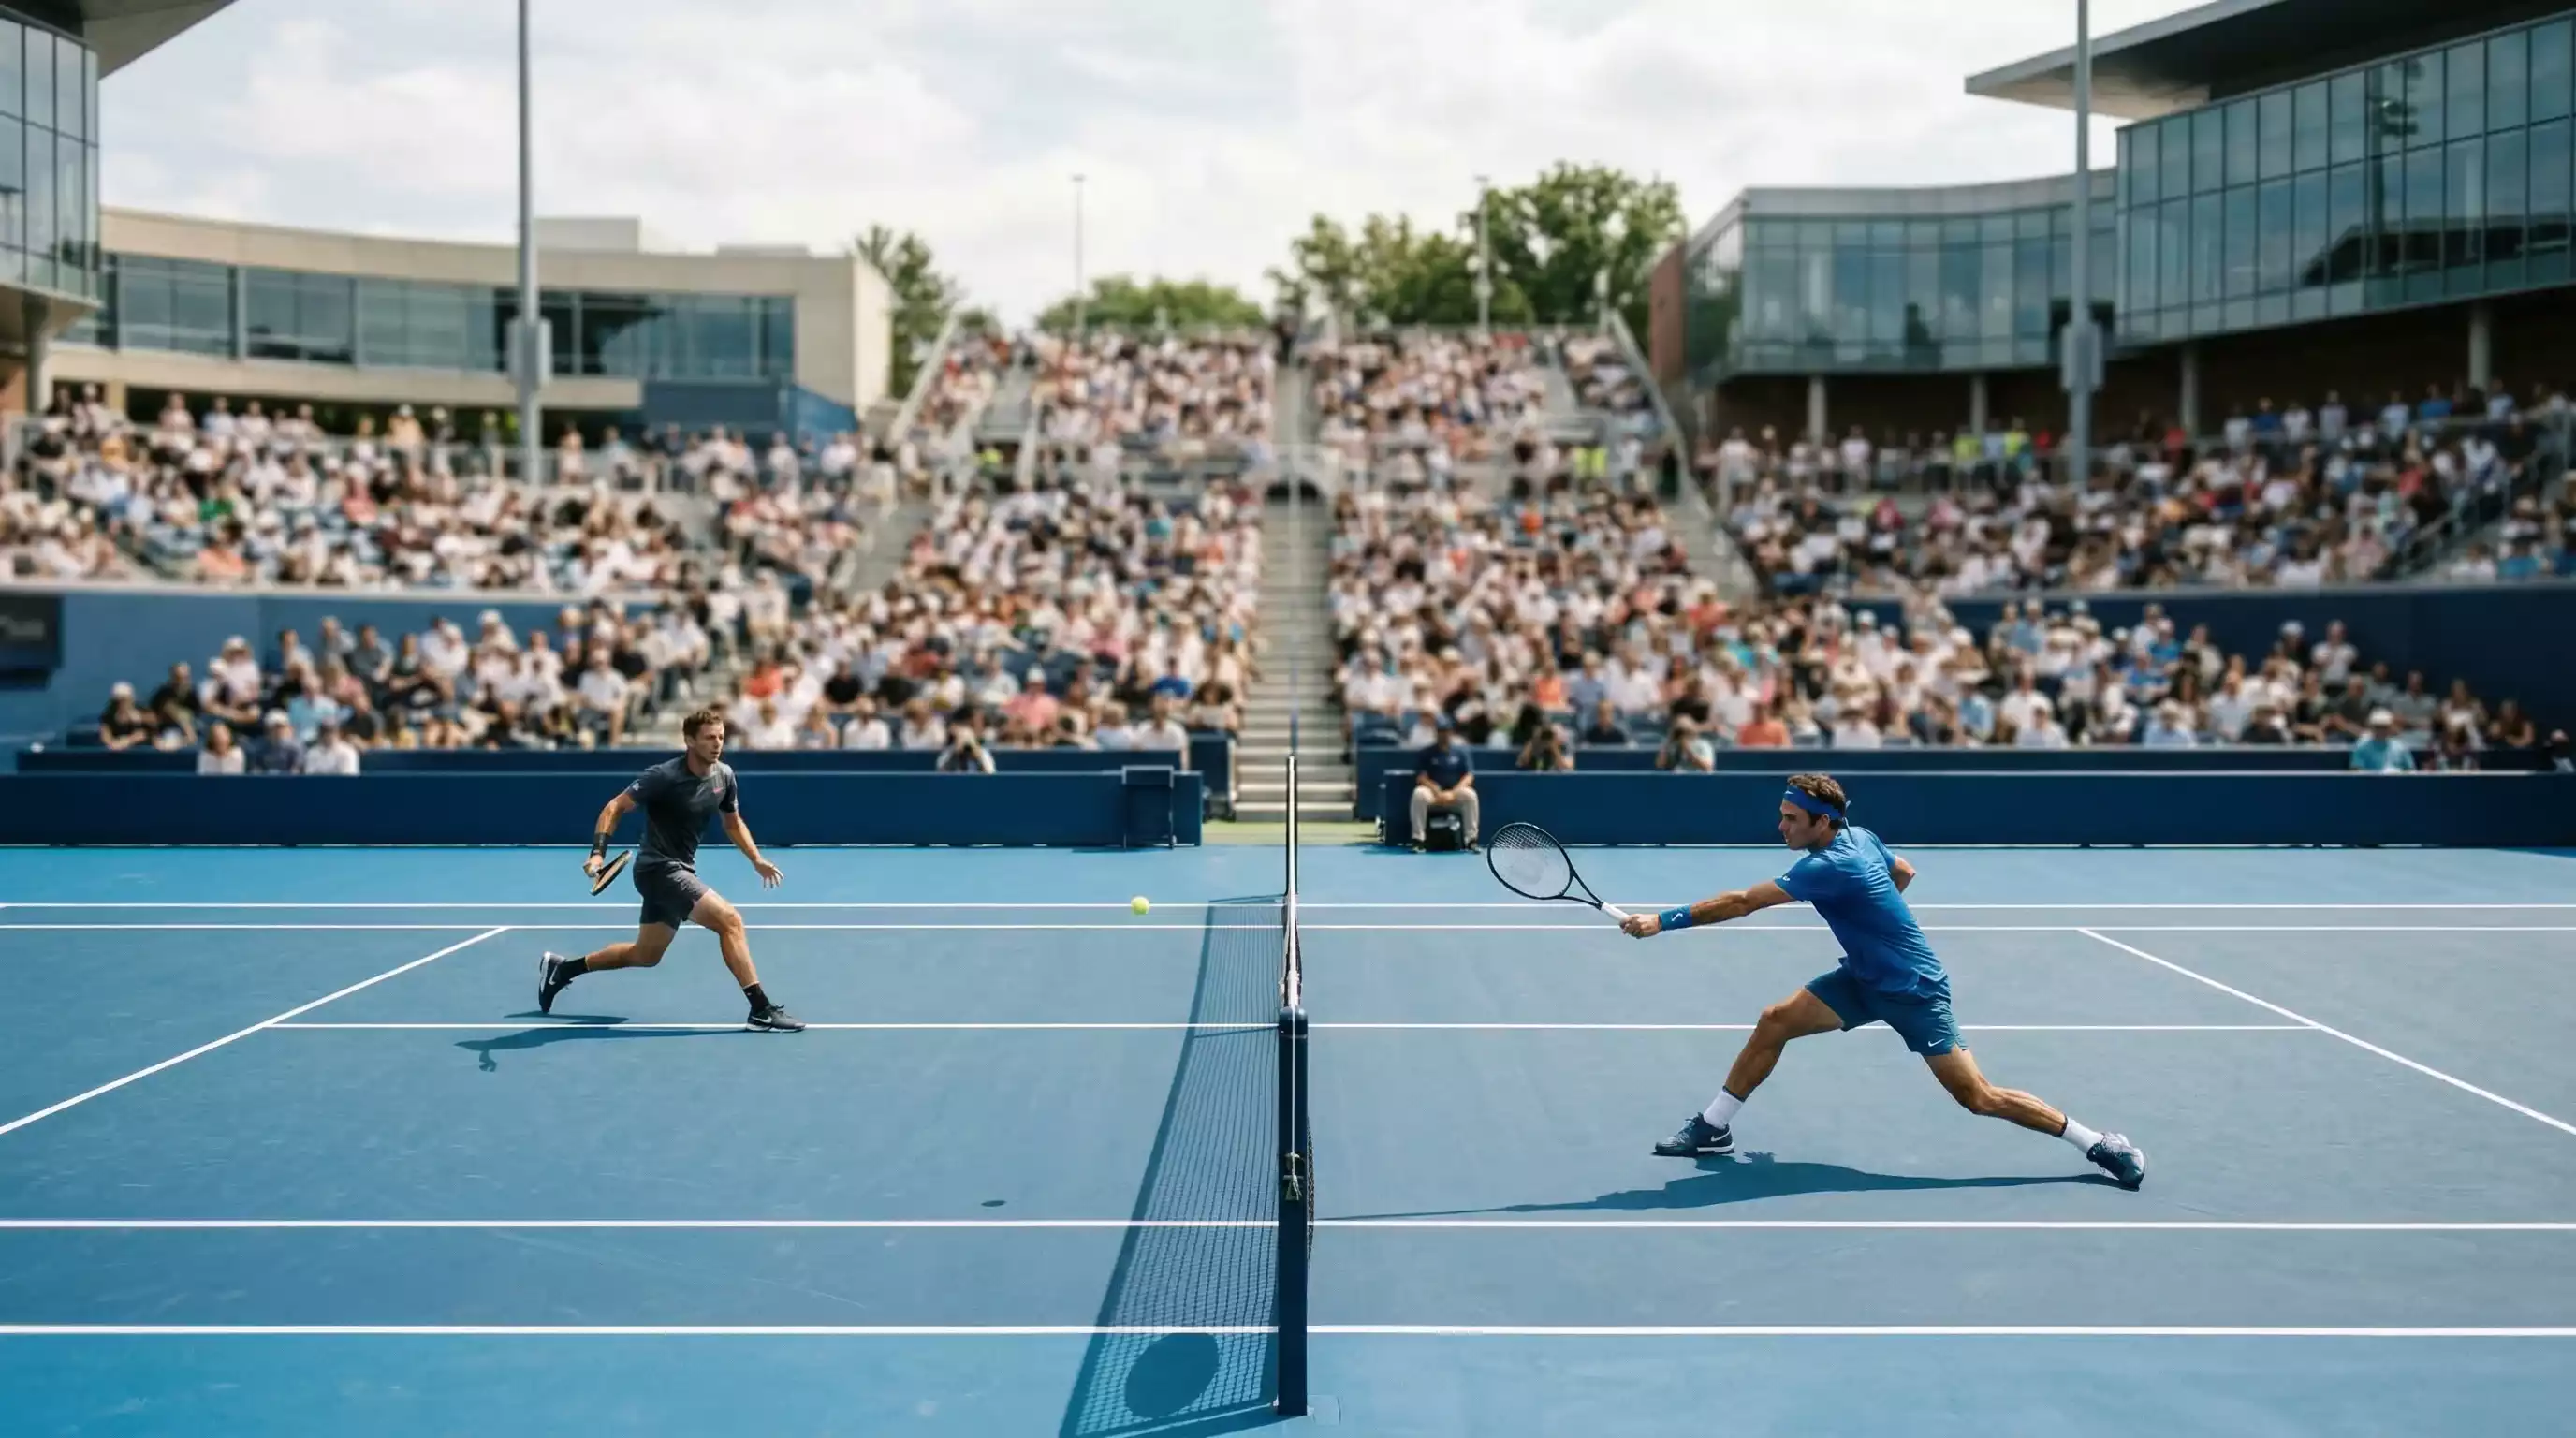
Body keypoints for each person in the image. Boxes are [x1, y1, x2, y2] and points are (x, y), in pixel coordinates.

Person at [1619, 773, 2145, 1190]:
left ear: (1822, 822)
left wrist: (1661, 921)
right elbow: (1905, 872)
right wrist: (1874, 925)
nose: (1781, 827)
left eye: (1791, 819)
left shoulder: (1827, 866)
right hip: (1863, 979)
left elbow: (1742, 902)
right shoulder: (1861, 836)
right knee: (1775, 1021)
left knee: (1979, 1097)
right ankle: (1713, 1128)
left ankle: (2098, 1143)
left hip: (1913, 990)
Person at [538, 706, 803, 1031]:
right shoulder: (664, 777)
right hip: (658, 870)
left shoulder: (724, 776)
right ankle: (760, 1010)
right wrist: (597, 854)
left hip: (681, 870)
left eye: (721, 737)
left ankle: (562, 970)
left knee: (645, 955)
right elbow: (614, 807)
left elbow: (733, 823)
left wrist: (756, 859)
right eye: (709, 738)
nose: (717, 744)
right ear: (689, 740)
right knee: (730, 922)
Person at [1410, 715, 1478, 849]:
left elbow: (1468, 776)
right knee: (1419, 794)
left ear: (1451, 732)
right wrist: (1436, 790)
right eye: (1440, 731)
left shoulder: (1461, 752)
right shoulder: (1426, 753)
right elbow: (1421, 777)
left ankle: (1471, 840)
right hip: (1433, 793)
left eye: (1446, 731)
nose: (1443, 734)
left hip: (1455, 792)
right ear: (1436, 733)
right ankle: (1418, 839)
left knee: (1470, 795)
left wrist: (1453, 793)